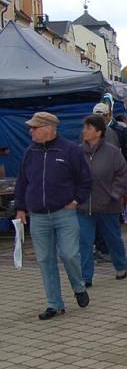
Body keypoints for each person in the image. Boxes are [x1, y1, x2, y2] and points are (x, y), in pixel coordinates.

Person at [15, 112, 92, 320]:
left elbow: (85, 179)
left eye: (34, 127)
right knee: (45, 260)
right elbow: (22, 182)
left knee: (69, 254)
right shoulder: (29, 153)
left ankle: (78, 286)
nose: (30, 131)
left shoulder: (69, 150)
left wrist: (76, 200)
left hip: (64, 213)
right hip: (38, 216)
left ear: (48, 128)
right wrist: (20, 208)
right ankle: (54, 304)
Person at [77, 115, 127, 287]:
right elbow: (70, 175)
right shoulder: (77, 152)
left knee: (112, 238)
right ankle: (86, 276)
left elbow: (123, 173)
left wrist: (114, 194)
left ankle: (121, 266)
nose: (84, 131)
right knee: (84, 241)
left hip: (108, 205)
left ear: (99, 132)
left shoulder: (112, 151)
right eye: (84, 127)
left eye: (88, 128)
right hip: (84, 206)